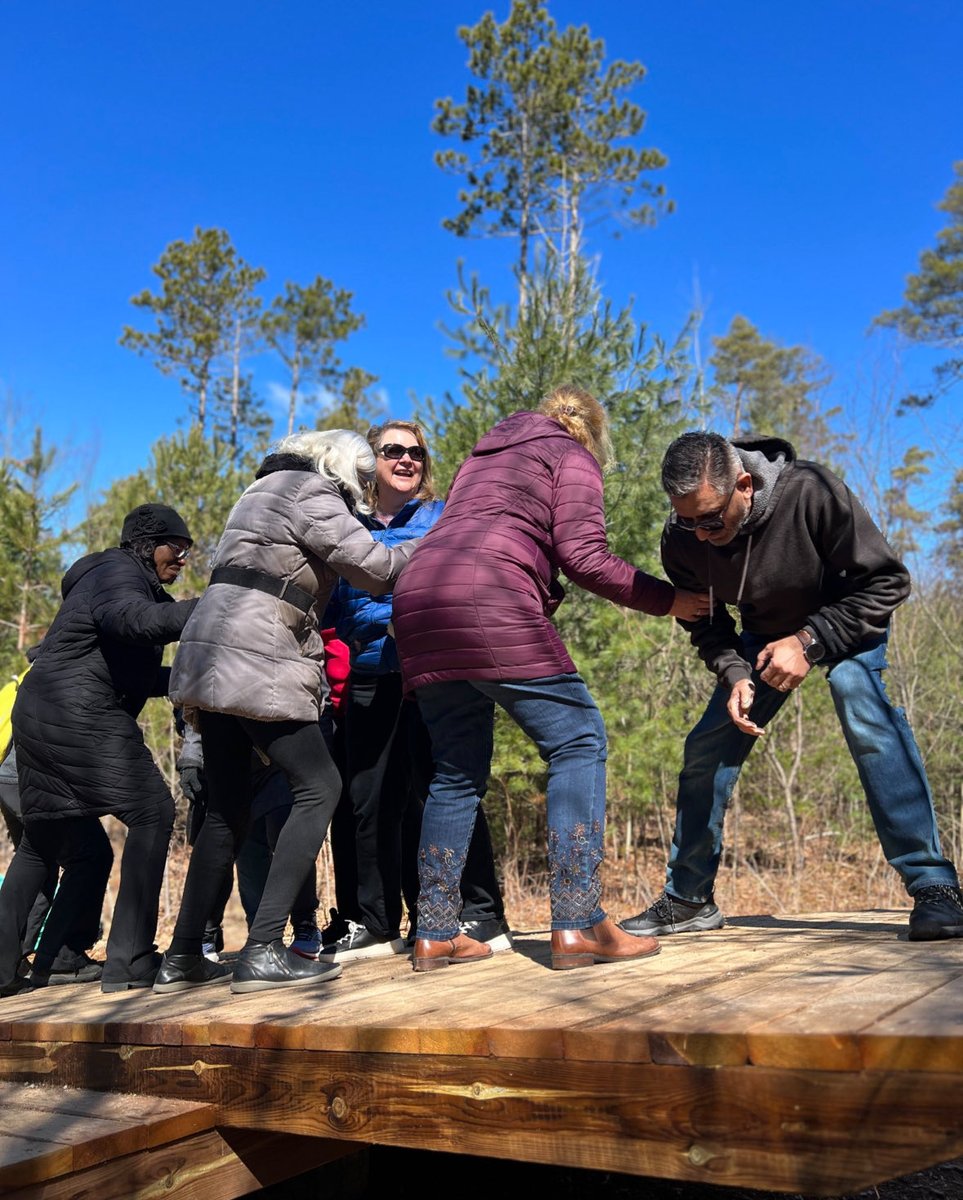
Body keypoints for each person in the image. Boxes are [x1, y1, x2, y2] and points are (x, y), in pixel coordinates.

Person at [392, 386, 710, 972]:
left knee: (456, 772)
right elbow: (584, 556)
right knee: (578, 739)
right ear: (590, 431)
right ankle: (579, 919)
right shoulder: (572, 456)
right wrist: (671, 601)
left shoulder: (481, 458)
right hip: (486, 593)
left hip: (417, 600)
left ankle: (435, 931)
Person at [619, 431, 963, 942]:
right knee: (708, 743)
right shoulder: (684, 538)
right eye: (686, 519)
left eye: (711, 518)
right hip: (764, 638)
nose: (700, 533)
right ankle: (689, 897)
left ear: (745, 485)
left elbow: (887, 582)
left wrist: (809, 641)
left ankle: (935, 888)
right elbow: (706, 621)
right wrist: (735, 673)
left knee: (857, 698)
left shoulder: (811, 492)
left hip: (846, 620)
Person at [158, 429, 421, 995]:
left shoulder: (260, 491)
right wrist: (435, 542)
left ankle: (181, 958)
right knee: (320, 786)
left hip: (209, 655)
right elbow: (375, 568)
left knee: (227, 809)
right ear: (346, 468)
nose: (368, 489)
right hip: (258, 653)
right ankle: (263, 948)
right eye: (366, 477)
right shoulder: (312, 491)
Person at [327, 420, 509, 963]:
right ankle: (375, 922)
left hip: (433, 671)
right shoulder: (345, 524)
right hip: (368, 673)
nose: (407, 460)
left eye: (417, 453)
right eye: (393, 451)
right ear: (371, 462)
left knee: (444, 791)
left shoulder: (443, 515)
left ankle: (479, 912)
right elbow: (335, 606)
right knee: (367, 801)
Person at [1, 504, 197, 994]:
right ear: (150, 542)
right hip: (78, 712)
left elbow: (132, 675)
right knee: (152, 811)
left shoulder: (109, 579)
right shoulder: (115, 570)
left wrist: (198, 680)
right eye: (180, 546)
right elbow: (133, 620)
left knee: (42, 842)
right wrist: (212, 606)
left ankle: (9, 967)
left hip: (38, 711)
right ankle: (130, 958)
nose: (184, 558)